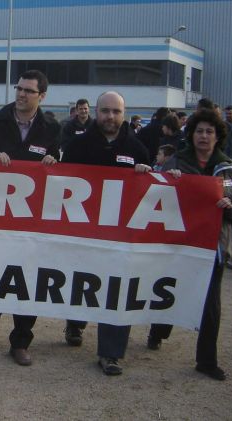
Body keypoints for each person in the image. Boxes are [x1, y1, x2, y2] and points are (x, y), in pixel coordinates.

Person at [62, 91, 151, 375]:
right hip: (84, 231)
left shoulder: (138, 149)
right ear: (95, 112)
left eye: (116, 111)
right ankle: (75, 324)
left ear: (124, 114)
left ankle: (111, 353)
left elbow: (150, 192)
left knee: (118, 289)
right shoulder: (78, 145)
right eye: (105, 111)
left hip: (120, 237)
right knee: (81, 282)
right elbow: (61, 185)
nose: (110, 117)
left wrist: (145, 174)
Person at [0, 69, 61, 367]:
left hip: (33, 217)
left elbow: (61, 167)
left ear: (42, 96)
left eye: (29, 91)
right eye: (19, 88)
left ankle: (21, 340)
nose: (22, 94)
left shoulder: (52, 127)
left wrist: (54, 161)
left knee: (30, 277)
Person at [147, 109, 232, 381]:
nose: (204, 135)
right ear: (192, 133)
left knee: (211, 304)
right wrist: (169, 180)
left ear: (217, 135)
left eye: (209, 131)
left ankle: (207, 360)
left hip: (213, 246)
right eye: (199, 130)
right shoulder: (177, 162)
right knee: (169, 291)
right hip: (178, 242)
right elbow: (156, 194)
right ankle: (159, 330)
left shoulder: (229, 166)